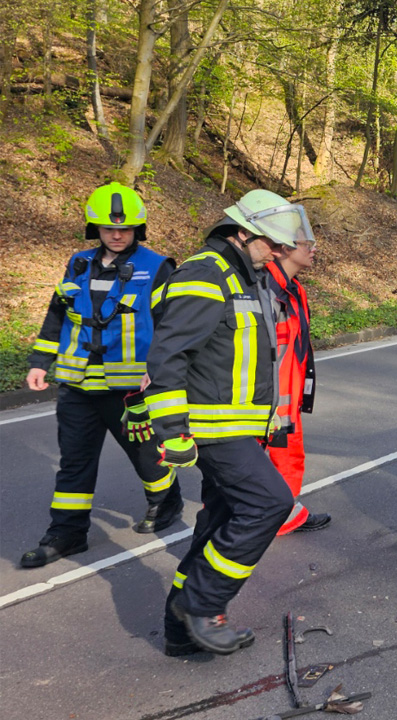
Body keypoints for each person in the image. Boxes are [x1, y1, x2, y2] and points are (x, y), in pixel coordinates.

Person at [145, 189, 311, 657]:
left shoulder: (244, 276)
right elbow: (168, 356)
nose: (278, 252)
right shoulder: (205, 273)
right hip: (212, 428)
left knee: (217, 524)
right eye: (272, 243)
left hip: (240, 427)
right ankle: (202, 605)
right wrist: (173, 430)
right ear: (242, 232)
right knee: (269, 503)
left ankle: (179, 631)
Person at [21, 183, 183, 568]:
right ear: (94, 227)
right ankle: (67, 533)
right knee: (74, 461)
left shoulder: (158, 267)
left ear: (138, 229)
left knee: (145, 454)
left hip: (130, 388)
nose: (117, 234)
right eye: (109, 228)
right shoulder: (78, 263)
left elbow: (171, 327)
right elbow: (57, 315)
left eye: (125, 228)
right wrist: (40, 361)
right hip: (77, 384)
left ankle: (166, 500)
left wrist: (160, 373)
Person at [265, 228, 330, 535]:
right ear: (283, 248)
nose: (314, 249)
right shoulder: (262, 288)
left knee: (288, 457)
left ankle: (284, 514)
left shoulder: (293, 289)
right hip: (262, 398)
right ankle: (230, 519)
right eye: (307, 243)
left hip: (286, 395)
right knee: (239, 464)